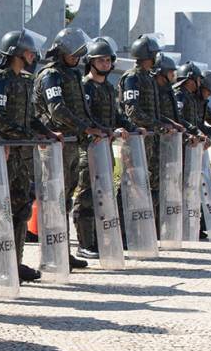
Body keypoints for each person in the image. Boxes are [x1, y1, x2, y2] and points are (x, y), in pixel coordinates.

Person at [0, 29, 60, 282]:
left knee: (21, 208)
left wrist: (47, 132)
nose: (32, 55)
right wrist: (25, 135)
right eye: (28, 51)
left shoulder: (25, 81)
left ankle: (14, 263)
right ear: (16, 53)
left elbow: (30, 117)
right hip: (2, 154)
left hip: (21, 155)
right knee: (0, 210)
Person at [33, 28, 105, 268]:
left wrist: (92, 127)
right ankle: (51, 255)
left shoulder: (71, 75)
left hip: (71, 144)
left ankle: (62, 252)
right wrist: (86, 128)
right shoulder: (50, 75)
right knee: (54, 199)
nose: (76, 57)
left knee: (63, 200)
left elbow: (80, 109)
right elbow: (57, 109)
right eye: (73, 53)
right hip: (55, 146)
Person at [72, 37, 138, 258]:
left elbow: (116, 115)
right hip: (89, 148)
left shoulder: (109, 88)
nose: (105, 64)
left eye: (108, 60)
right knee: (86, 195)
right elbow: (85, 118)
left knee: (103, 194)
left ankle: (99, 240)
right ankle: (84, 243)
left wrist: (130, 126)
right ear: (91, 62)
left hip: (105, 149)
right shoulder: (84, 87)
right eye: (100, 60)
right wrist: (109, 131)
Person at [120, 36, 172, 218]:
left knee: (152, 183)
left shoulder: (148, 78)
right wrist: (158, 125)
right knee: (133, 183)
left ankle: (149, 225)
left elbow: (154, 112)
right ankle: (127, 229)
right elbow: (132, 111)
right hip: (137, 140)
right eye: (154, 54)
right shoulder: (132, 78)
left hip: (152, 139)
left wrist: (169, 124)